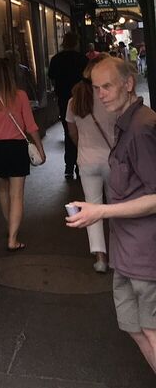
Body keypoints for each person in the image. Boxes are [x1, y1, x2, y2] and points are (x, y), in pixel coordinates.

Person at [66, 57, 156, 388]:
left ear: (128, 83)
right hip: (127, 250)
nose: (101, 94)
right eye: (96, 87)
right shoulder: (126, 123)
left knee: (152, 331)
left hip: (146, 252)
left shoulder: (142, 128)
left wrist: (100, 211)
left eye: (107, 86)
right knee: (136, 328)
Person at [0, 58, 45, 251]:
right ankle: (13, 238)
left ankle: (10, 226)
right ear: (11, 76)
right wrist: (40, 147)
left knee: (3, 190)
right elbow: (31, 125)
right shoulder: (20, 96)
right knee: (17, 194)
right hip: (17, 148)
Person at [65, 61, 116, 273]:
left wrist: (83, 147)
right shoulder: (108, 98)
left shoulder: (74, 101)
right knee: (115, 207)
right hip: (112, 160)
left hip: (87, 161)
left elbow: (72, 132)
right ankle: (119, 253)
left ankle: (100, 258)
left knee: (92, 208)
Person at [48, 31, 87, 179]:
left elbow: (51, 76)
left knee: (68, 131)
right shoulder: (82, 59)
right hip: (81, 99)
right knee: (82, 131)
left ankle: (69, 166)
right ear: (76, 43)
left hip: (64, 100)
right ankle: (80, 165)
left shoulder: (57, 59)